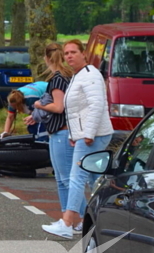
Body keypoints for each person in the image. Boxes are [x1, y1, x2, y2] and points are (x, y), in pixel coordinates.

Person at [42, 39, 113, 239]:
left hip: (94, 135)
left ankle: (68, 223)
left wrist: (88, 134)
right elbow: (76, 111)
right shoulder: (78, 76)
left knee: (76, 177)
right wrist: (75, 135)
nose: (69, 56)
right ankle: (99, 222)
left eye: (74, 52)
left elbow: (96, 105)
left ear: (84, 54)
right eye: (66, 53)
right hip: (85, 135)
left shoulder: (90, 75)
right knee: (94, 179)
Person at [31, 42, 74, 223]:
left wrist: (38, 105)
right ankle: (68, 218)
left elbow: (58, 107)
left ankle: (73, 219)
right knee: (63, 179)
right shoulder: (68, 76)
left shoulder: (56, 79)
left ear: (46, 58)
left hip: (61, 133)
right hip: (64, 131)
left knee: (65, 180)